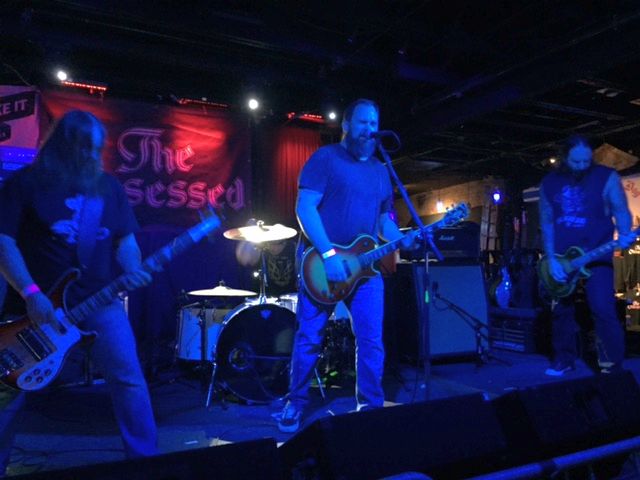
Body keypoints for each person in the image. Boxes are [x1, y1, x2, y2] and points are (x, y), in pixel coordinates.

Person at [0, 110, 158, 457]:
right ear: (63, 145)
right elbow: (3, 242)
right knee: (9, 393)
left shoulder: (108, 188)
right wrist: (30, 293)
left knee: (129, 380)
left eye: (96, 148)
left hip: (99, 303)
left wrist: (133, 268)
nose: (91, 155)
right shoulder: (25, 183)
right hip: (34, 308)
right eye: (85, 147)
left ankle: (146, 461)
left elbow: (125, 240)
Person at [277, 99, 413, 432]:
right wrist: (328, 254)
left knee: (371, 339)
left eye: (374, 123)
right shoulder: (326, 158)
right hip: (322, 264)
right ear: (347, 126)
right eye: (363, 123)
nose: (370, 129)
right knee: (310, 337)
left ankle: (370, 407)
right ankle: (295, 404)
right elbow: (305, 208)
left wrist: (403, 237)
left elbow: (383, 221)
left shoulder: (381, 170)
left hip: (366, 269)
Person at [539, 135, 636, 376]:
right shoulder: (549, 183)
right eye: (576, 161)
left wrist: (625, 233)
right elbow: (547, 223)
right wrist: (551, 259)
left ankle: (613, 366)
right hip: (562, 257)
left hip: (597, 254)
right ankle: (564, 360)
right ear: (564, 158)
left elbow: (620, 210)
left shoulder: (606, 176)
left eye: (586, 160)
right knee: (561, 311)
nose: (582, 166)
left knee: (602, 308)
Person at [234, 219, 298, 297]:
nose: (272, 247)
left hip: (291, 296)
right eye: (270, 243)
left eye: (277, 244)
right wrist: (248, 234)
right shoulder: (262, 249)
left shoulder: (294, 249)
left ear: (284, 242)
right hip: (268, 297)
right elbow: (244, 260)